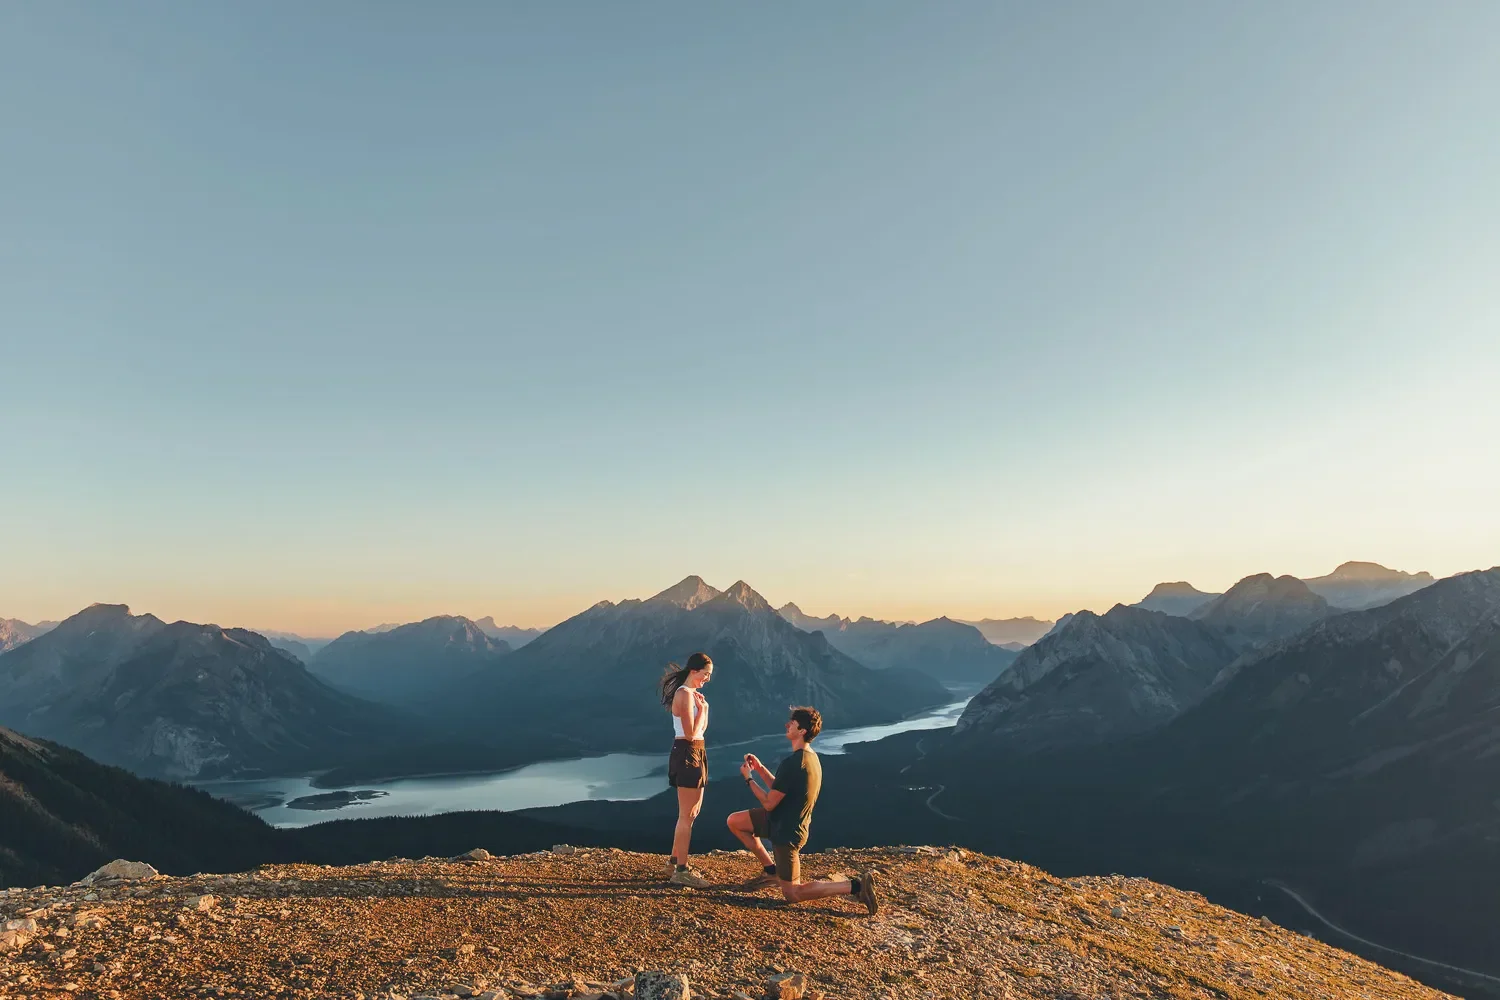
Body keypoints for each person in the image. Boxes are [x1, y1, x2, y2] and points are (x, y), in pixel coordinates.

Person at [726, 706, 879, 914]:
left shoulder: (794, 762)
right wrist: (760, 769)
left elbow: (769, 803)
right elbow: (780, 788)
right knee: (735, 821)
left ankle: (856, 886)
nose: (787, 725)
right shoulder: (809, 757)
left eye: (792, 723)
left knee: (793, 893)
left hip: (787, 832)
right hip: (779, 819)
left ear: (802, 731)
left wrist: (749, 779)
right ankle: (771, 871)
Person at [661, 651, 714, 888]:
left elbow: (701, 731)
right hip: (687, 751)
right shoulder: (683, 694)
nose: (708, 679)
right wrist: (701, 711)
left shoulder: (692, 695)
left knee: (692, 813)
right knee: (686, 815)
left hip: (696, 751)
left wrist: (704, 708)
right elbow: (691, 734)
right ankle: (681, 871)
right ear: (694, 671)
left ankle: (673, 863)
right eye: (706, 674)